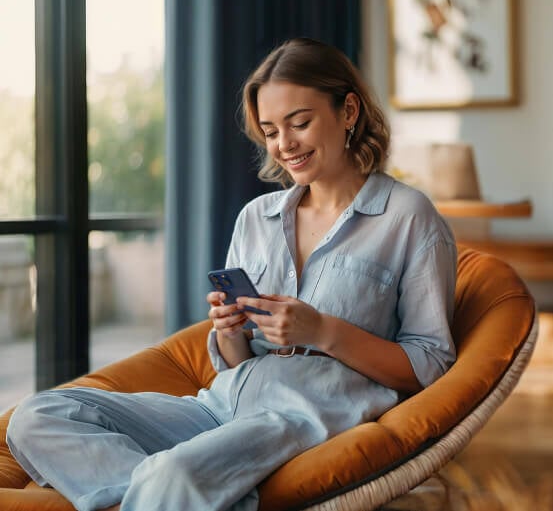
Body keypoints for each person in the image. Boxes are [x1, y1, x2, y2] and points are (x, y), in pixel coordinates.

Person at [6, 38, 457, 511]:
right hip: (216, 407)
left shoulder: (408, 217)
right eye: (270, 130)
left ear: (348, 111)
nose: (285, 145)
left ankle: (176, 488)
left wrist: (323, 330)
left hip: (304, 418)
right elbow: (237, 362)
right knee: (37, 417)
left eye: (299, 123)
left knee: (172, 472)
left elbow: (431, 368)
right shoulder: (256, 218)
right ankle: (170, 496)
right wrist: (230, 331)